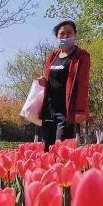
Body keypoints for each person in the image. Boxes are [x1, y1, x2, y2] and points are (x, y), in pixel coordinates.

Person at [37, 19, 90, 151]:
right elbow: (49, 78)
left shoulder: (81, 56)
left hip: (66, 111)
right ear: (57, 37)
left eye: (69, 33)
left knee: (61, 150)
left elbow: (83, 84)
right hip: (48, 110)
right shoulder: (52, 56)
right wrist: (43, 81)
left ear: (75, 34)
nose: (65, 36)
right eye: (62, 34)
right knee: (46, 150)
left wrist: (80, 110)